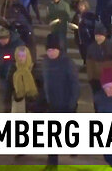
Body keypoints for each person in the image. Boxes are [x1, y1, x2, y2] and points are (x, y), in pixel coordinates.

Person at [42, 34, 80, 168]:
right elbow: (44, 82)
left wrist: (72, 103)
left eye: (53, 50)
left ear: (59, 50)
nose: (51, 52)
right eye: (49, 50)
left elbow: (75, 84)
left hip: (66, 104)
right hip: (52, 105)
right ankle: (52, 164)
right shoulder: (46, 62)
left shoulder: (67, 63)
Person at [0, 26, 24, 112]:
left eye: (3, 40)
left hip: (16, 75)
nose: (1, 42)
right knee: (5, 98)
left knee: (19, 98)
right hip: (4, 75)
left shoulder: (19, 44)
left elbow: (23, 60)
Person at [86, 23, 112, 94]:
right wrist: (90, 78)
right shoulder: (91, 47)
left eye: (100, 35)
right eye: (96, 35)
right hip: (96, 79)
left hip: (109, 79)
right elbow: (89, 64)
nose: (98, 37)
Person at [7, 46, 39, 113]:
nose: (21, 58)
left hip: (33, 103)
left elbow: (40, 87)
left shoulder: (34, 68)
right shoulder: (13, 69)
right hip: (18, 102)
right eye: (19, 56)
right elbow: (9, 88)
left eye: (23, 56)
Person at [70, 0, 96, 67]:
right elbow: (73, 22)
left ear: (86, 6)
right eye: (80, 6)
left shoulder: (90, 15)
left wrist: (83, 21)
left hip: (87, 37)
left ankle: (89, 66)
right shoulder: (77, 15)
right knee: (82, 53)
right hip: (79, 37)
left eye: (82, 6)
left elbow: (92, 24)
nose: (80, 7)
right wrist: (72, 26)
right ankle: (85, 65)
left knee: (88, 53)